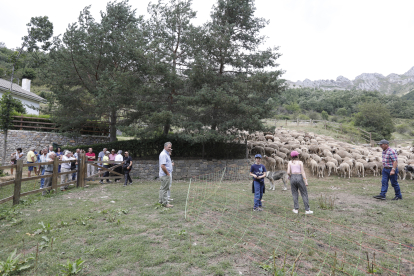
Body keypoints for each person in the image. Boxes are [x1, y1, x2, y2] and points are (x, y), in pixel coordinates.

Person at [158, 142, 173, 208]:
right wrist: (167, 173)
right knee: (165, 189)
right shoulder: (163, 154)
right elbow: (162, 166)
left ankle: (161, 201)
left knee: (162, 188)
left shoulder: (166, 153)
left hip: (164, 174)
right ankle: (165, 203)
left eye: (170, 147)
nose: (170, 148)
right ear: (165, 147)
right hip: (165, 175)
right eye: (169, 147)